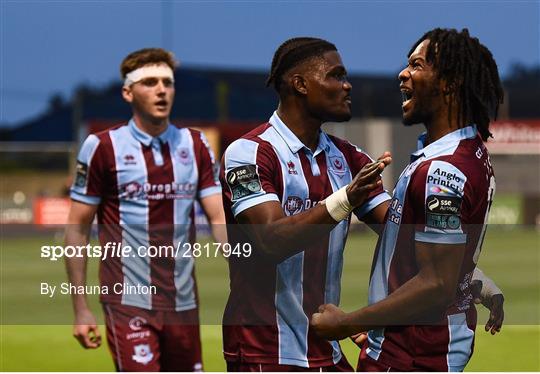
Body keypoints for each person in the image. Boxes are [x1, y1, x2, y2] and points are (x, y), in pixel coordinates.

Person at [311, 28, 505, 372]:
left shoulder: (443, 171)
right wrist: (479, 282)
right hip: (424, 348)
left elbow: (436, 284)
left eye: (416, 65)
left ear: (450, 82)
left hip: (411, 355)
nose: (403, 73)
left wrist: (349, 323)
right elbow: (428, 251)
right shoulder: (470, 152)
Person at [220, 36, 394, 372]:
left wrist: (471, 272)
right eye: (335, 75)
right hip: (265, 353)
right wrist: (346, 199)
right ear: (300, 84)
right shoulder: (249, 153)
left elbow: (401, 232)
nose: (347, 85)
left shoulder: (349, 158)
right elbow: (270, 240)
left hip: (325, 349)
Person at [64, 48, 225, 371]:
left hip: (183, 303)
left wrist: (246, 270)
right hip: (127, 302)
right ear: (128, 91)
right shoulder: (103, 147)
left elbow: (219, 216)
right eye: (149, 82)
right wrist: (80, 308)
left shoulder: (194, 144)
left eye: (167, 82)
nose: (161, 89)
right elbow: (77, 228)